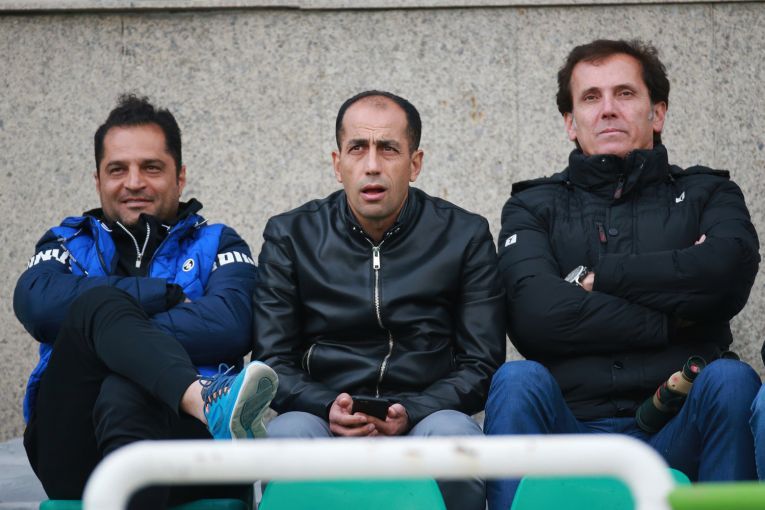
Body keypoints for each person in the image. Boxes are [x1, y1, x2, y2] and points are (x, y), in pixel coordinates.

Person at [484, 39, 762, 510]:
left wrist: (600, 278)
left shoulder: (709, 193)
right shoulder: (531, 207)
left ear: (658, 113)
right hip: (570, 430)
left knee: (731, 380)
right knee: (516, 381)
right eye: (591, 97)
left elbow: (723, 279)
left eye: (625, 93)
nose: (608, 109)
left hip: (679, 425)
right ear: (570, 122)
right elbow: (536, 317)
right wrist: (677, 316)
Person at [14, 94, 278, 507]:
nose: (134, 182)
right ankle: (204, 399)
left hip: (191, 447)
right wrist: (163, 295)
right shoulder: (65, 242)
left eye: (151, 167)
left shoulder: (218, 242)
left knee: (122, 383)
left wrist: (106, 336)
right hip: (73, 445)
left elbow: (232, 323)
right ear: (97, 180)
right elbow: (37, 306)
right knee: (97, 307)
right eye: (117, 169)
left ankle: (194, 402)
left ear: (180, 177)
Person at [252, 90, 506, 510]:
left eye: (388, 148)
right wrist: (327, 405)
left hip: (425, 416)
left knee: (454, 438)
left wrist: (411, 409)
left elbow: (482, 363)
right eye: (357, 148)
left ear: (415, 163)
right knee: (284, 436)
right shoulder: (291, 236)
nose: (372, 165)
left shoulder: (464, 236)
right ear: (338, 164)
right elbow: (271, 361)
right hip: (321, 416)